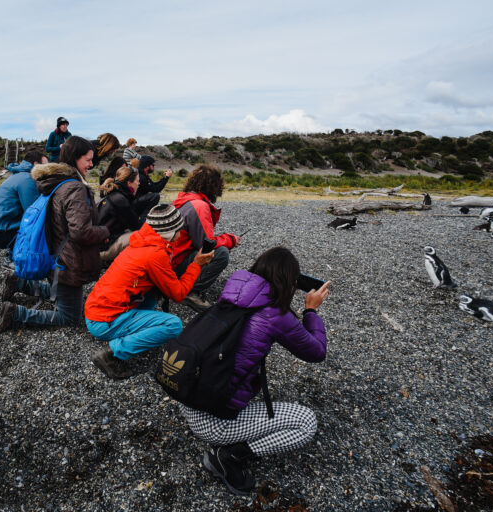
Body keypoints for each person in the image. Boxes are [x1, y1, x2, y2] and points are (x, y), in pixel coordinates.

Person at [179, 247, 329, 495]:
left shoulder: (234, 292)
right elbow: (316, 352)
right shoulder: (276, 315)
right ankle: (227, 457)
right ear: (290, 283)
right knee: (305, 422)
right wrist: (311, 311)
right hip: (213, 422)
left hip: (187, 396)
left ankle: (226, 441)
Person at [0, 136, 109, 332]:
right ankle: (16, 314)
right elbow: (80, 232)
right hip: (68, 261)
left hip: (54, 255)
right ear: (75, 158)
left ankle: (19, 283)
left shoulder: (57, 182)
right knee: (69, 316)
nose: (91, 164)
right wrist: (104, 231)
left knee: (69, 295)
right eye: (88, 160)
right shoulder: (74, 187)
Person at [85, 205, 214, 379]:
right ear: (169, 232)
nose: (181, 233)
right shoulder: (155, 254)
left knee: (155, 292)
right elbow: (178, 294)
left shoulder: (143, 242)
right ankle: (113, 353)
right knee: (173, 325)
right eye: (179, 229)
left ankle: (135, 331)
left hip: (97, 311)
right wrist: (197, 265)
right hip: (104, 321)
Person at [172, 165, 238, 311]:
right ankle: (189, 291)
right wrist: (230, 240)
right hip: (174, 265)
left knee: (219, 249)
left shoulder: (186, 200)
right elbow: (206, 244)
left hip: (170, 260)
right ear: (213, 186)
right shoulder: (199, 206)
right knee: (221, 253)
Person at [0, 150, 48, 269]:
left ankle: (14, 250)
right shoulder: (27, 180)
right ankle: (13, 259)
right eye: (46, 166)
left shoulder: (17, 175)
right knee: (38, 226)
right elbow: (33, 212)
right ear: (36, 164)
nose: (48, 170)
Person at [97, 166, 143, 262]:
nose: (139, 184)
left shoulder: (113, 194)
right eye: (137, 181)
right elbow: (137, 226)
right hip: (102, 249)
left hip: (99, 245)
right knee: (141, 236)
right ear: (129, 183)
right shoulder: (120, 200)